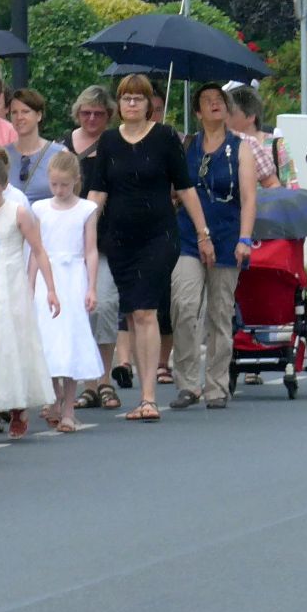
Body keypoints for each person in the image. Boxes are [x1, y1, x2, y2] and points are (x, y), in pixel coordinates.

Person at [88, 73, 212, 419]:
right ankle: (144, 395)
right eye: (126, 98)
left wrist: (202, 232)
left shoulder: (165, 137)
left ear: (148, 105)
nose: (131, 103)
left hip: (158, 236)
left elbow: (185, 187)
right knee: (132, 313)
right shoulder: (109, 141)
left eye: (138, 98)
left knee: (144, 311)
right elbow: (98, 191)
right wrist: (82, 229)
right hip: (119, 240)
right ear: (119, 104)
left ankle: (148, 398)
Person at [171, 84, 257, 410]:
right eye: (207, 101)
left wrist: (245, 238)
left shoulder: (241, 148)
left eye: (219, 100)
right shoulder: (187, 146)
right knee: (184, 304)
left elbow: (248, 198)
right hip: (188, 236)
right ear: (197, 112)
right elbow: (175, 188)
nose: (214, 104)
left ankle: (217, 384)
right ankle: (187, 382)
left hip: (226, 236)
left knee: (220, 313)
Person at [0, 146, 60, 437]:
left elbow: (39, 250)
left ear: (4, 187)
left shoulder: (18, 212)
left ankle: (18, 407)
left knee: (10, 346)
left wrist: (50, 289)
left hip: (11, 284)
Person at [33, 149, 103, 432]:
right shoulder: (40, 209)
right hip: (46, 277)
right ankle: (54, 398)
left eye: (64, 184)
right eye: (54, 184)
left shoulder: (86, 209)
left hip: (73, 276)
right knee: (48, 339)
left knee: (71, 339)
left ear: (76, 180)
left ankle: (69, 409)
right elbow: (35, 251)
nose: (59, 190)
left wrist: (92, 286)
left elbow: (91, 250)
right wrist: (29, 285)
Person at [64, 85, 123, 409]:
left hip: (106, 240)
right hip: (70, 242)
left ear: (108, 115)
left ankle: (104, 379)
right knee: (78, 311)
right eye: (86, 113)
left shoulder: (116, 144)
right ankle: (88, 384)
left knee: (104, 305)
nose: (91, 119)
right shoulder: (64, 145)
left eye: (98, 114)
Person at [224, 83, 283, 187]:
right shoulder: (223, 142)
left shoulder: (275, 144)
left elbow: (292, 186)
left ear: (250, 116)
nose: (225, 117)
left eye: (231, 113)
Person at [6, 87, 57, 202]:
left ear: (38, 115)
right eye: (14, 112)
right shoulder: (2, 155)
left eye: (25, 111)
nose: (19, 117)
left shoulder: (59, 154)